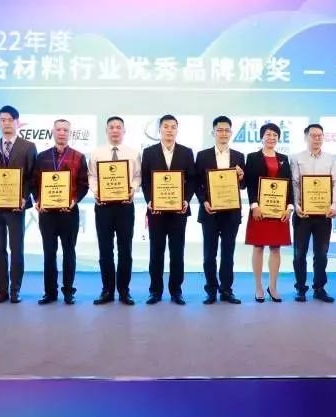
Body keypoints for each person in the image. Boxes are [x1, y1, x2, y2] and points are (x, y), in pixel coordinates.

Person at [0, 105, 37, 304]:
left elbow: (32, 176)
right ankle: (2, 290)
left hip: (16, 205)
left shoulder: (28, 146)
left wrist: (24, 197)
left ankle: (15, 290)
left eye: (9, 120)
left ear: (17, 122)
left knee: (16, 248)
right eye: (2, 120)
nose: (6, 123)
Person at [140, 114, 195, 305]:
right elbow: (146, 181)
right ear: (159, 130)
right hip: (156, 211)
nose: (169, 130)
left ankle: (176, 291)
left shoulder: (186, 152)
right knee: (156, 252)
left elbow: (192, 179)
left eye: (173, 127)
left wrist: (186, 200)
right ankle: (155, 291)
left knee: (177, 252)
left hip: (179, 211)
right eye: (166, 126)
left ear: (177, 130)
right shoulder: (149, 152)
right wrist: (150, 201)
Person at [33, 119, 89, 305]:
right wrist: (37, 200)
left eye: (65, 130)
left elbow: (83, 184)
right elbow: (34, 182)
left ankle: (68, 291)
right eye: (59, 129)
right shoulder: (41, 157)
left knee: (69, 252)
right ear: (53, 132)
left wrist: (75, 200)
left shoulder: (79, 157)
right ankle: (50, 292)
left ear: (70, 133)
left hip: (69, 212)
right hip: (47, 213)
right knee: (49, 253)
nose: (62, 133)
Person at [88, 116, 140, 306]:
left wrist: (133, 189)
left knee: (125, 249)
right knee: (105, 249)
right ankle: (107, 290)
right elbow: (92, 176)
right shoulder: (96, 153)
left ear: (124, 131)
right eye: (111, 127)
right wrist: (97, 191)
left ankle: (124, 291)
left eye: (119, 127)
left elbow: (137, 176)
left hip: (125, 206)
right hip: (103, 207)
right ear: (106, 131)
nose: (115, 130)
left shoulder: (133, 153)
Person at [194, 116, 245, 304]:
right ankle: (211, 290)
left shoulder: (239, 156)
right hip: (210, 212)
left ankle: (226, 290)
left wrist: (241, 176)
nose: (223, 133)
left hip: (231, 213)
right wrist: (204, 201)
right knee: (209, 254)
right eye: (220, 130)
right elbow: (196, 183)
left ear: (231, 133)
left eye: (227, 130)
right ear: (213, 132)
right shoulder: (203, 155)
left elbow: (243, 185)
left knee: (228, 254)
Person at [243, 123, 293, 303]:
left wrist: (289, 207)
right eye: (268, 134)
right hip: (259, 209)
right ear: (262, 137)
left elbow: (288, 184)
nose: (271, 138)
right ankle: (258, 287)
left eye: (275, 135)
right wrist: (254, 205)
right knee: (258, 247)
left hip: (279, 210)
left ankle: (272, 287)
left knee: (276, 247)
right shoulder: (252, 157)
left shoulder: (284, 158)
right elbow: (249, 184)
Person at [290, 123, 336, 303]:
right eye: (313, 135)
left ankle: (319, 288)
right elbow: (294, 184)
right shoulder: (296, 158)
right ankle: (300, 289)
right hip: (302, 213)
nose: (317, 139)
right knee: (299, 254)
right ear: (306, 137)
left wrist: (334, 206)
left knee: (321, 254)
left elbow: (334, 183)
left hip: (324, 214)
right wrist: (296, 205)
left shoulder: (330, 158)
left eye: (320, 135)